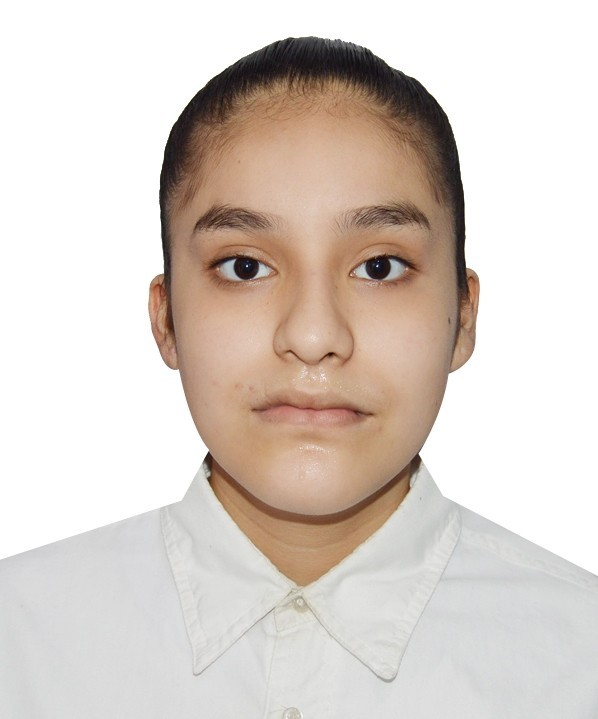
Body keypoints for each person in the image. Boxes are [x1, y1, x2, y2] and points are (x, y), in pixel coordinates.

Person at [1, 36, 596, 718]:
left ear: (463, 316)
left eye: (379, 267)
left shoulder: (579, 660)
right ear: (166, 320)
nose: (313, 336)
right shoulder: (19, 644)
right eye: (245, 267)